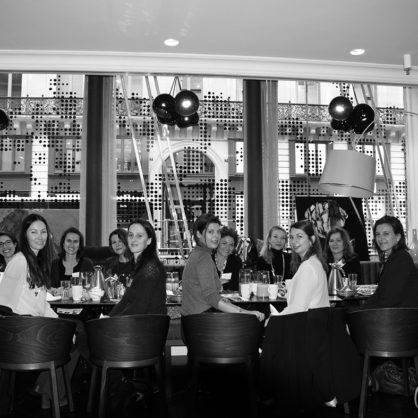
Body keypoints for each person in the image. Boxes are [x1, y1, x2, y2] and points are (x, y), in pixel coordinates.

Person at [181, 213, 264, 321]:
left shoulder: (199, 253)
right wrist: (246, 313)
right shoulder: (203, 257)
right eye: (210, 232)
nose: (216, 236)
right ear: (199, 234)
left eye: (218, 232)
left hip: (194, 318)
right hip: (201, 320)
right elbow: (211, 297)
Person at [109, 218, 166, 316]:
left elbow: (139, 307)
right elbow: (125, 301)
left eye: (139, 236)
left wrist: (112, 321)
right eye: (130, 235)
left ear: (149, 240)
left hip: (146, 323)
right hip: (136, 321)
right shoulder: (137, 265)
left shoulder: (150, 268)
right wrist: (108, 317)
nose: (133, 239)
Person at [362, 215, 418, 308]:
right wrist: (359, 310)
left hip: (399, 315)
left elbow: (388, 299)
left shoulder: (401, 259)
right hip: (391, 313)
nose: (381, 238)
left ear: (398, 237)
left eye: (386, 234)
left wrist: (361, 312)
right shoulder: (394, 258)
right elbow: (379, 295)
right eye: (378, 234)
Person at [276, 220, 329, 315]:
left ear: (312, 239)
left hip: (307, 322)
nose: (294, 241)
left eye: (299, 236)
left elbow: (297, 310)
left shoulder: (308, 267)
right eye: (291, 237)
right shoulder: (315, 261)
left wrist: (275, 318)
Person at [212, 226, 242, 291]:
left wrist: (217, 285)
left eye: (231, 245)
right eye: (224, 243)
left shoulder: (236, 261)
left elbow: (236, 286)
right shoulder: (207, 260)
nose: (227, 247)